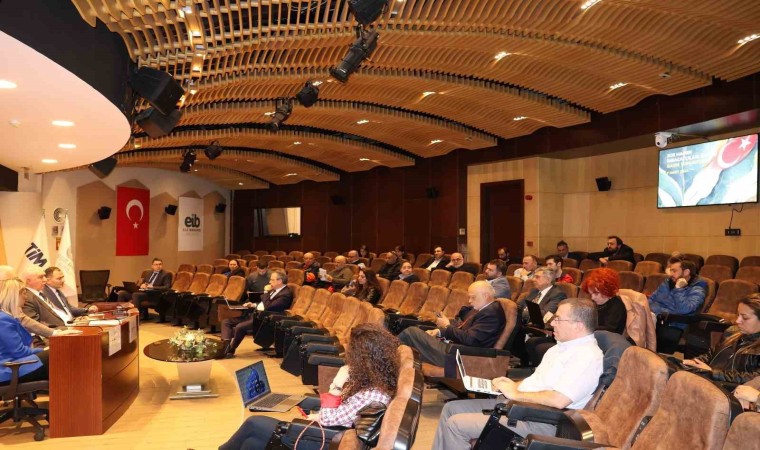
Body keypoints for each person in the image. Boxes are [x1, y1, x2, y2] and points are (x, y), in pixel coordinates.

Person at [432, 298, 603, 450]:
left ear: (578, 325)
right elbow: (537, 382)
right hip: (521, 406)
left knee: (456, 425)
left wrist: (516, 393)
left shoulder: (587, 356)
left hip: (543, 420)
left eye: (558, 319)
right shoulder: (560, 347)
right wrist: (512, 385)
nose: (552, 323)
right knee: (450, 408)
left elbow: (559, 400)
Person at [220, 323, 399, 450]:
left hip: (322, 439)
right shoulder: (377, 381)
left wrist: (337, 386)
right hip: (329, 431)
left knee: (253, 423)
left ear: (363, 358)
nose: (347, 353)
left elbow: (329, 419)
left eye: (351, 350)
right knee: (251, 444)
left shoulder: (372, 394)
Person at [398, 281, 505, 367]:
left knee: (411, 332)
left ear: (485, 296)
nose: (469, 301)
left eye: (473, 297)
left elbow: (470, 339)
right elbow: (463, 328)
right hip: (455, 348)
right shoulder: (483, 309)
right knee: (413, 336)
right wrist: (439, 331)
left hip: (459, 355)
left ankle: (388, 362)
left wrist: (447, 326)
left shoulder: (491, 313)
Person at [682, 294, 760, 384]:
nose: (737, 321)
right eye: (738, 315)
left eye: (745, 317)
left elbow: (755, 379)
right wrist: (694, 362)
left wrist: (713, 373)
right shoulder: (731, 332)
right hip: (708, 379)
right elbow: (711, 354)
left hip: (728, 389)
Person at [0, 266, 84, 344]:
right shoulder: (20, 299)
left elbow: (26, 321)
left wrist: (55, 333)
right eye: (12, 280)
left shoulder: (11, 303)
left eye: (17, 279)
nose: (17, 283)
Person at [222, 270, 292, 358]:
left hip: (264, 319)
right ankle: (226, 347)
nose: (269, 282)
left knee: (240, 327)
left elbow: (268, 307)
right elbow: (264, 303)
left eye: (272, 280)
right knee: (226, 322)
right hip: (254, 315)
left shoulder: (285, 294)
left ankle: (231, 350)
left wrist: (266, 292)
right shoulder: (275, 290)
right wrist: (253, 304)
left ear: (280, 281)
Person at [649, 257, 707, 353]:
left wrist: (679, 289)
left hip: (671, 323)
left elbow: (685, 309)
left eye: (674, 271)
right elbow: (651, 299)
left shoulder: (697, 289)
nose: (670, 274)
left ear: (686, 272)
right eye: (671, 270)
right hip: (654, 317)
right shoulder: (667, 283)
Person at [0, 275, 48, 386]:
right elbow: (19, 352)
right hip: (8, 369)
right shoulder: (3, 319)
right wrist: (43, 350)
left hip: (13, 365)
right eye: (24, 293)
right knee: (57, 355)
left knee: (56, 354)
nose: (26, 297)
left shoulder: (7, 317)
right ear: (14, 296)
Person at [581, 268, 626, 334]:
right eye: (591, 294)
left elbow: (608, 330)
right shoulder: (597, 303)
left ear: (606, 290)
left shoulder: (617, 306)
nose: (592, 298)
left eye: (596, 293)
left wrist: (585, 327)